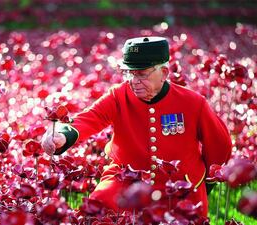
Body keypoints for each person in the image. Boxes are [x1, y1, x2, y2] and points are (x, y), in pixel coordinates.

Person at [41, 36, 232, 216]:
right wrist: (62, 135)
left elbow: (219, 145)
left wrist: (207, 182)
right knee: (98, 206)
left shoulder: (193, 102)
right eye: (129, 74)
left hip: (181, 185)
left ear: (164, 73)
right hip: (126, 181)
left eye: (141, 74)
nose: (134, 82)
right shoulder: (118, 95)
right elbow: (91, 117)